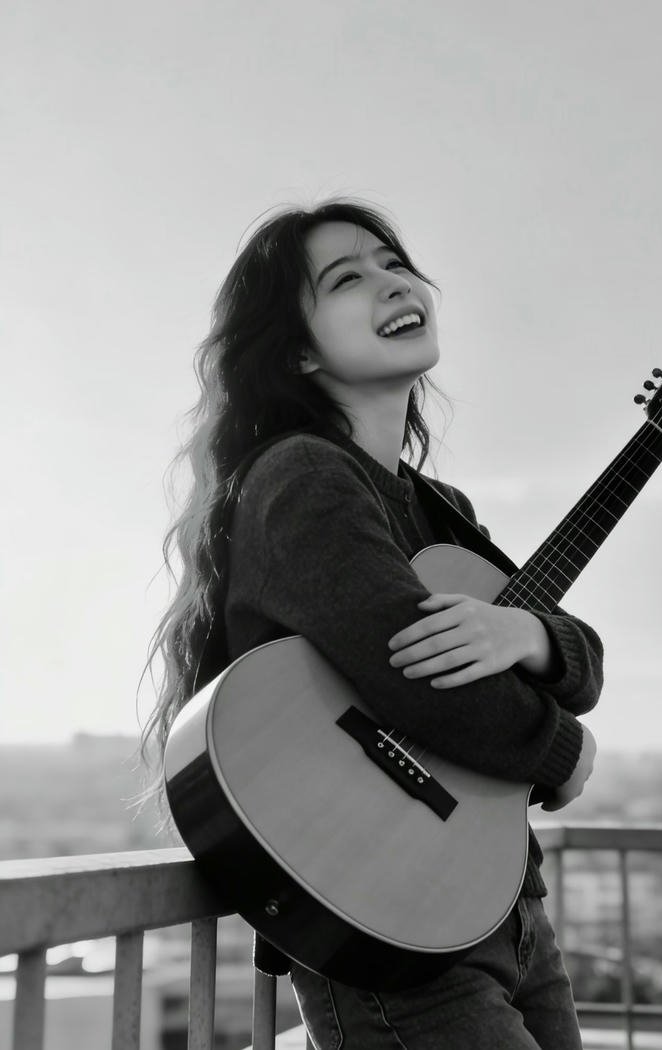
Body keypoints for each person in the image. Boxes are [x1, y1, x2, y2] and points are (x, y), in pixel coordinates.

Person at [140, 196, 603, 1049]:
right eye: (348, 278)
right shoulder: (303, 476)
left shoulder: (441, 507)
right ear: (301, 351)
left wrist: (529, 638)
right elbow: (418, 679)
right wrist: (565, 749)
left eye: (395, 263)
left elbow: (584, 660)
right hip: (397, 932)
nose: (393, 282)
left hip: (506, 907)